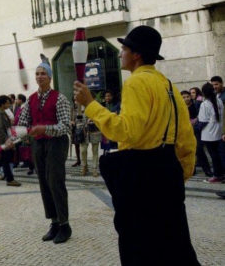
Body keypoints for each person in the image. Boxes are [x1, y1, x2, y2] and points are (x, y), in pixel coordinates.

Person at [73, 25, 199, 265]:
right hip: (168, 170)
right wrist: (179, 172)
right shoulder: (168, 85)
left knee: (139, 246)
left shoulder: (136, 83)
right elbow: (186, 136)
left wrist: (91, 104)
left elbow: (126, 131)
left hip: (143, 174)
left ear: (136, 54)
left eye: (123, 48)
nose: (120, 53)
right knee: (176, 246)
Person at [17, 58, 72, 244]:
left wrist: (45, 129)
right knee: (44, 183)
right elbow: (23, 122)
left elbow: (65, 126)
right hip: (38, 144)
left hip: (56, 143)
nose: (39, 76)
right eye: (37, 74)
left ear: (49, 77)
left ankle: (65, 225)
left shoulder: (60, 98)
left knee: (55, 181)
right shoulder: (31, 99)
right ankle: (54, 222)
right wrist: (17, 136)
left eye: (43, 73)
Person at [198, 82, 225, 183]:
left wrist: (196, 128)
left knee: (214, 156)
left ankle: (217, 175)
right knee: (218, 155)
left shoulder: (205, 104)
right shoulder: (219, 101)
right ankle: (221, 174)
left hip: (209, 134)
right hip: (218, 132)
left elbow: (203, 121)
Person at [182, 90, 212, 176]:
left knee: (199, 150)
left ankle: (207, 170)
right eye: (184, 97)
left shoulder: (196, 104)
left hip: (196, 130)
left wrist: (195, 121)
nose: (186, 99)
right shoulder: (181, 107)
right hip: (186, 131)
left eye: (187, 96)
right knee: (189, 151)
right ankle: (192, 169)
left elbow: (200, 115)